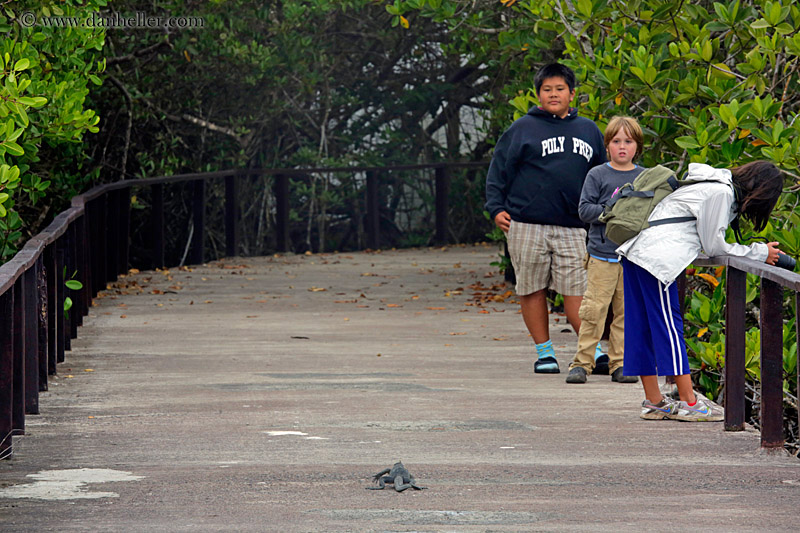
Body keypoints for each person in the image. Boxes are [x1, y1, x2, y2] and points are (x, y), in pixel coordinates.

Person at [616, 160, 785, 420]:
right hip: (655, 258)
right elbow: (715, 246)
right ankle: (690, 402)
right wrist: (760, 252)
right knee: (668, 327)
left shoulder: (711, 183)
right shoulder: (722, 192)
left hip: (637, 251)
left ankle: (655, 401)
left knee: (643, 327)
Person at [485, 63, 606, 374]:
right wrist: (496, 207)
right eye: (547, 89)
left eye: (560, 89)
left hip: (573, 226)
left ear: (572, 93)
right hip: (525, 223)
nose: (554, 94)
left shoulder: (589, 130)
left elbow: (604, 175)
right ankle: (545, 353)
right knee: (531, 288)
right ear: (538, 94)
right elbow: (498, 170)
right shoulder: (523, 128)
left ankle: (593, 350)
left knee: (576, 291)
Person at [565, 116, 643, 384]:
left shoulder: (644, 177)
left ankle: (619, 364)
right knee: (594, 311)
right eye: (616, 141)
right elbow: (584, 210)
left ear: (637, 146)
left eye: (628, 141)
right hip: (601, 256)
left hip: (631, 258)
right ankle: (582, 363)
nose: (622, 147)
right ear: (607, 145)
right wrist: (613, 211)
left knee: (625, 313)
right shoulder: (596, 174)